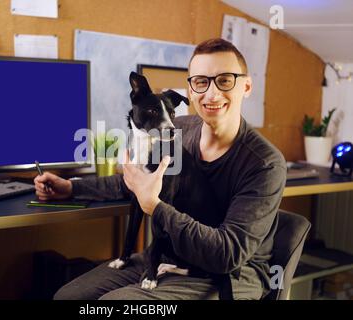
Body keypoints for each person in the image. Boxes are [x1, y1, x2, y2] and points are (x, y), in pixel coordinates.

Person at [34, 38, 286, 300]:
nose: (211, 94)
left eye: (225, 80)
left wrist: (154, 206)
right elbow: (137, 181)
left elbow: (227, 255)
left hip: (229, 273)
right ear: (190, 90)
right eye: (201, 81)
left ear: (246, 86)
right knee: (69, 297)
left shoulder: (264, 164)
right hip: (167, 253)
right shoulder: (178, 131)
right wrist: (73, 187)